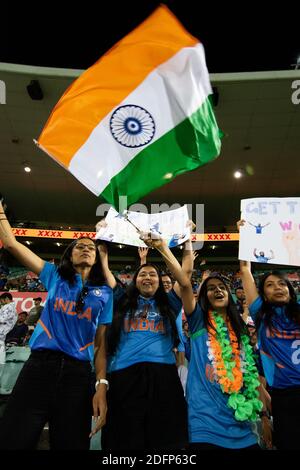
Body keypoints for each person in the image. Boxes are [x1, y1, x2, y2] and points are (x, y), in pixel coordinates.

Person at [0, 200, 113, 449]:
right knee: (12, 440)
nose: (85, 248)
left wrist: (101, 385)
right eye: (79, 246)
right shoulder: (52, 275)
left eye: (90, 247)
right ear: (69, 255)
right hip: (39, 369)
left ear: (96, 258)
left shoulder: (105, 293)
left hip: (78, 377)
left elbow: (100, 346)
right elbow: (10, 242)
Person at [147, 235, 264, 450]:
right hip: (205, 425)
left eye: (221, 287)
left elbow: (250, 373)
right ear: (203, 296)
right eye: (211, 288)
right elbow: (183, 281)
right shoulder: (198, 321)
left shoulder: (240, 330)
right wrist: (164, 246)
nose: (218, 290)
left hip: (242, 425)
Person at [99, 241, 188, 450]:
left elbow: (185, 275)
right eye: (142, 274)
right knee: (124, 439)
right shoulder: (122, 300)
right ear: (135, 280)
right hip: (123, 375)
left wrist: (187, 242)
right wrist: (102, 243)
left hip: (163, 376)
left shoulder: (170, 304)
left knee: (165, 441)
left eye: (153, 274)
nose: (147, 277)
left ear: (159, 281)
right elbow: (105, 271)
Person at [238, 219, 300, 449]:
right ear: (263, 293)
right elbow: (245, 270)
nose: (278, 287)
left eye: (282, 284)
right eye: (271, 285)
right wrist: (244, 236)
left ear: (290, 290)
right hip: (283, 394)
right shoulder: (263, 315)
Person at [0, 293, 17, 370]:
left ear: (6, 298)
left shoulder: (8, 307)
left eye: (1, 300)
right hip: (4, 331)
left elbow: (1, 319)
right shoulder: (13, 308)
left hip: (2, 330)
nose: (1, 302)